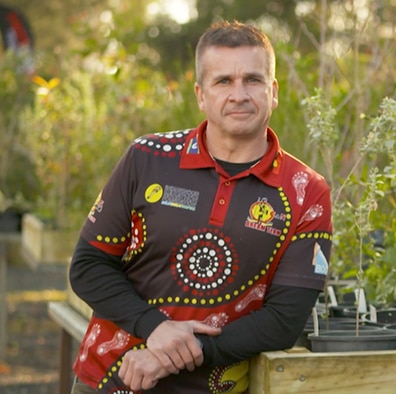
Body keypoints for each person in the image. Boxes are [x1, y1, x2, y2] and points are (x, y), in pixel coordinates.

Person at [69, 19, 332, 393]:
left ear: (273, 92)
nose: (239, 94)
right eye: (223, 81)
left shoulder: (307, 191)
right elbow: (88, 265)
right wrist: (154, 327)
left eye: (252, 80)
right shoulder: (147, 158)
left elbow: (283, 320)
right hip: (111, 379)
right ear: (200, 94)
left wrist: (174, 352)